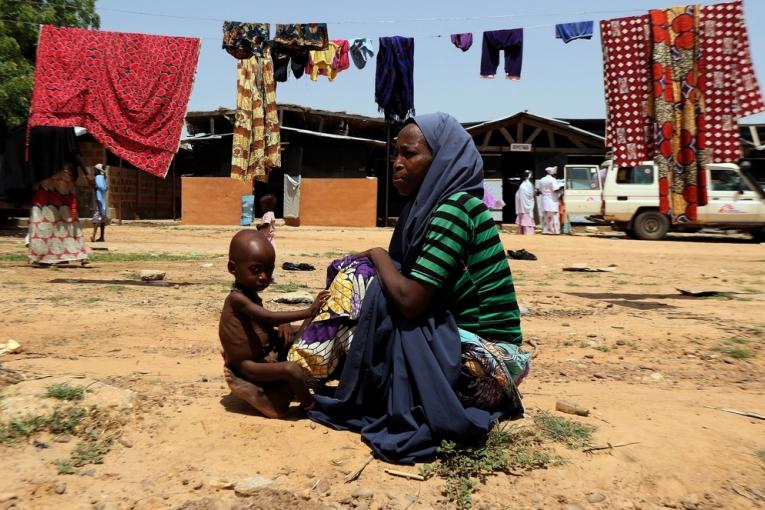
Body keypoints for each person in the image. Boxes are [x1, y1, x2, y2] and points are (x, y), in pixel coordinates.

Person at [304, 113, 530, 463]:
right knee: (371, 287)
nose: (396, 164)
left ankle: (302, 368)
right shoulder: (431, 209)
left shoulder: (455, 210)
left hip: (488, 359)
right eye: (395, 155)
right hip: (458, 339)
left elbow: (411, 302)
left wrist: (378, 255)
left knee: (364, 278)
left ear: (441, 160)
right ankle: (306, 360)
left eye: (409, 154)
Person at [220, 229, 329, 419]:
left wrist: (285, 326)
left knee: (305, 332)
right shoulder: (237, 299)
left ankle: (277, 392)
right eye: (256, 270)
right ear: (232, 268)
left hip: (265, 353)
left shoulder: (251, 295)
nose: (264, 276)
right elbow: (267, 317)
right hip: (249, 366)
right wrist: (308, 311)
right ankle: (310, 407)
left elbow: (262, 325)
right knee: (292, 369)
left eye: (269, 270)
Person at [536, 166, 563, 234]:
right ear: (553, 173)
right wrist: (562, 186)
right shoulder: (552, 180)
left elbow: (540, 191)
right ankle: (555, 231)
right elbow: (555, 189)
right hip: (552, 200)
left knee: (545, 216)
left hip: (545, 200)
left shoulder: (542, 180)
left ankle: (546, 230)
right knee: (554, 216)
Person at [90, 164, 108, 242]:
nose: (94, 171)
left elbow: (102, 187)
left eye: (95, 170)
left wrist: (95, 186)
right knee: (102, 219)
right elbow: (106, 188)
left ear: (98, 170)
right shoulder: (103, 178)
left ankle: (93, 236)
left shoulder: (98, 177)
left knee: (96, 218)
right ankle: (101, 237)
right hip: (102, 200)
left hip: (99, 200)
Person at [514, 170, 535, 235]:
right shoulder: (528, 184)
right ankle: (528, 232)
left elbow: (518, 195)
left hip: (521, 206)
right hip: (527, 207)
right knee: (527, 219)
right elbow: (531, 194)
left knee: (522, 219)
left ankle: (522, 231)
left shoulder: (522, 185)